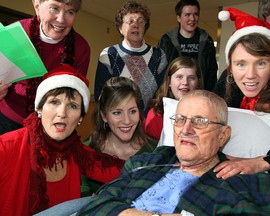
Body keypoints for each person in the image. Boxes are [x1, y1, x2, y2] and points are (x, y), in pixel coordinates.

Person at [42, 90, 270, 215]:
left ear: (223, 135)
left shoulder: (247, 181)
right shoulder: (147, 162)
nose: (186, 130)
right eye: (180, 119)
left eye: (200, 121)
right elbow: (98, 203)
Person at [0, 64, 123, 216]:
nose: (62, 113)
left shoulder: (79, 154)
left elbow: (126, 173)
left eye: (72, 105)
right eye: (54, 102)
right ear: (39, 109)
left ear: (80, 118)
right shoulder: (6, 147)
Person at [214, 8, 270, 179]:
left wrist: (259, 163)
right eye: (241, 64)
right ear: (231, 67)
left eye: (261, 63)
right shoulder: (225, 83)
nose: (250, 74)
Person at [0, 0, 90, 135]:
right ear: (37, 6)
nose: (61, 19)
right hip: (6, 119)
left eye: (70, 12)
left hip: (48, 129)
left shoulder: (81, 48)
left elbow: (75, 98)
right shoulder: (16, 33)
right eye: (54, 8)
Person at [81, 77, 157, 196]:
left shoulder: (155, 151)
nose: (127, 121)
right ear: (104, 116)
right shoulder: (87, 152)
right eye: (117, 113)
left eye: (132, 111)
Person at [93, 0, 167, 113]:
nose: (136, 25)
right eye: (130, 21)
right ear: (120, 28)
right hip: (119, 122)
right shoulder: (109, 54)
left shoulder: (159, 56)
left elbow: (163, 94)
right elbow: (101, 95)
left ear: (145, 27)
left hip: (150, 124)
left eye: (140, 22)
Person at [158, 0, 217, 91]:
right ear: (178, 18)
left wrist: (208, 94)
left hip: (199, 95)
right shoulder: (167, 40)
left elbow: (212, 72)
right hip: (172, 94)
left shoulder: (207, 41)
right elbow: (160, 71)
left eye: (195, 14)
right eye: (187, 15)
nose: (192, 19)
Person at [144, 56, 203, 140]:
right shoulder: (156, 114)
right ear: (169, 82)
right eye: (179, 77)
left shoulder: (206, 114)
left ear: (198, 82)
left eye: (191, 78)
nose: (185, 82)